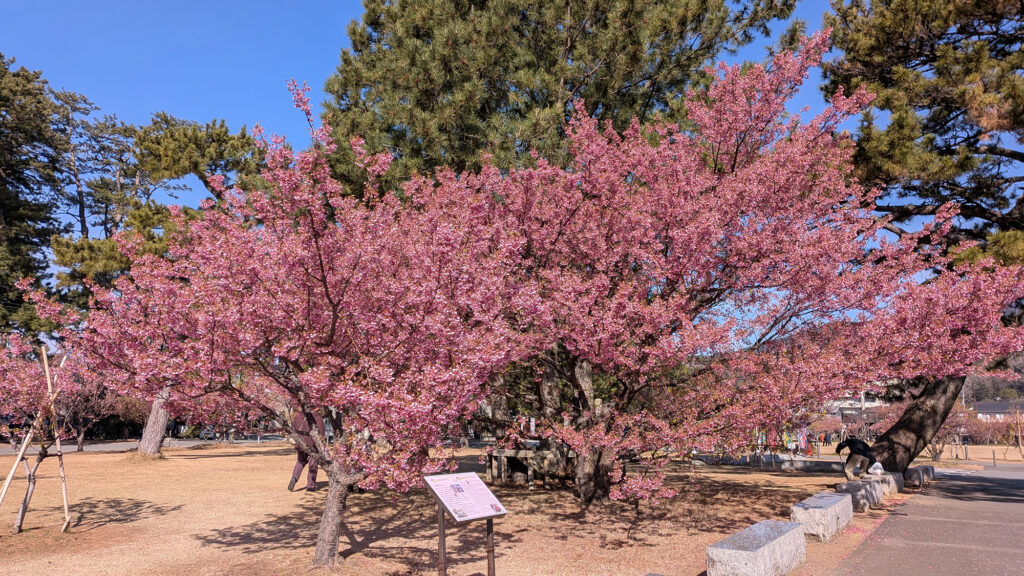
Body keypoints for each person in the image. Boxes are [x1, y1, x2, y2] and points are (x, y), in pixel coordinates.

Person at [289, 409, 325, 492]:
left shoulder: (298, 416)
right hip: (312, 444)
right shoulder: (317, 416)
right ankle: (311, 485)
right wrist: (321, 445)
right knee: (313, 465)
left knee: (300, 462)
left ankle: (294, 477)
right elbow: (321, 432)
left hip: (300, 443)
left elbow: (292, 429)